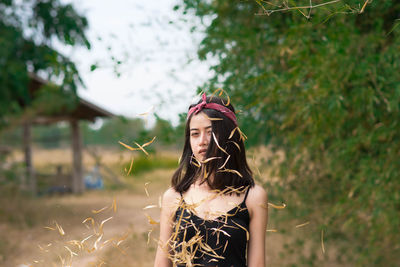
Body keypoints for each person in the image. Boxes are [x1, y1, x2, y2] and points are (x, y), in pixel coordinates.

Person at [154, 93, 268, 267]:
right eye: (195, 134)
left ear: (229, 136)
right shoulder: (174, 197)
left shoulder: (253, 197)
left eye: (211, 132)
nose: (202, 141)